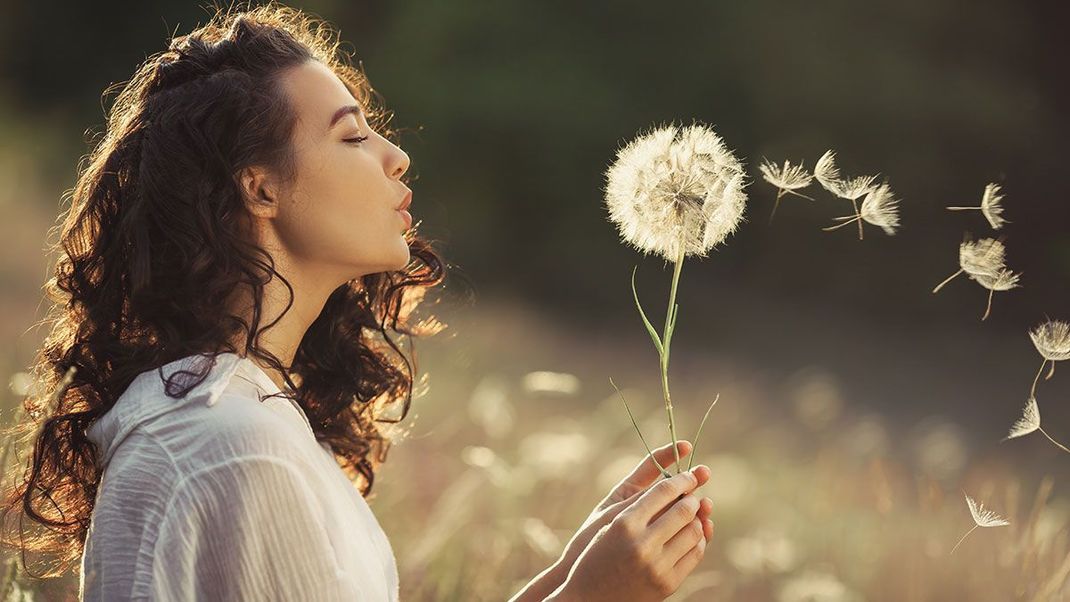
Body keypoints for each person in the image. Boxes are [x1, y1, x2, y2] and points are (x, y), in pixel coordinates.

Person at [0, 3, 714, 600]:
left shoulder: (233, 416)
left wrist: (567, 572)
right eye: (351, 135)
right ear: (260, 188)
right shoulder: (233, 448)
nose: (395, 155)